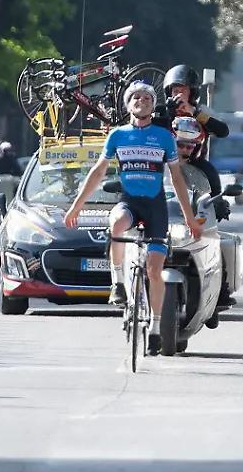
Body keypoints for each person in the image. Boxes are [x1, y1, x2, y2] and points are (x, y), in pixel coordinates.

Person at [64, 81, 200, 355]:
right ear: (128, 104)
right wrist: (76, 206)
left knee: (154, 269)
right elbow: (98, 173)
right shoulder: (117, 135)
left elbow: (176, 178)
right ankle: (117, 283)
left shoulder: (164, 137)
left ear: (152, 105)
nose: (142, 101)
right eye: (136, 97)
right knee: (116, 223)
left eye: (147, 98)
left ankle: (155, 328)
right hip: (129, 203)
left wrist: (190, 219)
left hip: (156, 207)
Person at [153, 64, 228, 197]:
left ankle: (217, 202)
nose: (178, 95)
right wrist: (170, 115)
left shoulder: (201, 112)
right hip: (165, 164)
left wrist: (193, 112)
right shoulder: (161, 112)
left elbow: (223, 131)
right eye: (175, 91)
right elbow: (154, 132)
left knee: (210, 171)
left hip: (194, 164)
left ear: (192, 92)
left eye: (183, 91)